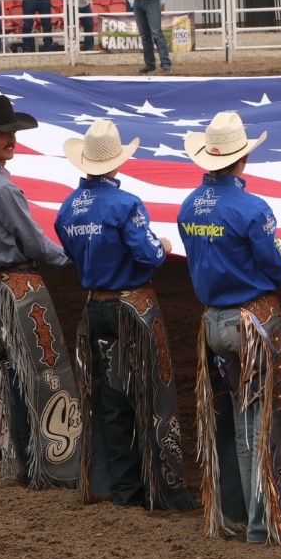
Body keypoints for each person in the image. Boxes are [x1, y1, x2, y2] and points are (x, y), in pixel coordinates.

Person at [177, 111, 281, 548]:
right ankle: (267, 523)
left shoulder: (188, 207)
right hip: (251, 323)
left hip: (213, 322)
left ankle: (241, 513)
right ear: (242, 160)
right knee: (264, 420)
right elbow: (276, 263)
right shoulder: (252, 209)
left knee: (236, 419)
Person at [57, 120, 194, 511]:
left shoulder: (69, 207)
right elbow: (148, 253)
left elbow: (70, 251)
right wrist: (163, 245)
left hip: (94, 307)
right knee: (150, 394)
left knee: (109, 399)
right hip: (130, 307)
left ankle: (123, 487)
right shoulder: (125, 204)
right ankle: (162, 488)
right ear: (116, 161)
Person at [0, 94, 82, 488]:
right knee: (41, 372)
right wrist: (73, 259)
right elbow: (35, 244)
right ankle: (46, 462)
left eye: (11, 132)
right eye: (2, 133)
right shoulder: (3, 189)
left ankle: (23, 460)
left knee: (9, 373)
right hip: (18, 285)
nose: (10, 139)